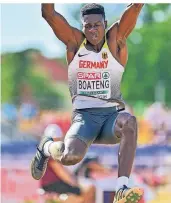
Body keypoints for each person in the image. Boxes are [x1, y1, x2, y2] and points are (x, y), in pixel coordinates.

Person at [31, 3, 144, 203]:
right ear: (82, 27)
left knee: (130, 121)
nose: (92, 30)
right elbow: (48, 13)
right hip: (85, 118)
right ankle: (47, 147)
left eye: (97, 25)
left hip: (111, 118)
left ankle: (122, 188)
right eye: (88, 26)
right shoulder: (75, 43)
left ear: (105, 24)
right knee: (70, 157)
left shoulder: (116, 40)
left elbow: (135, 7)